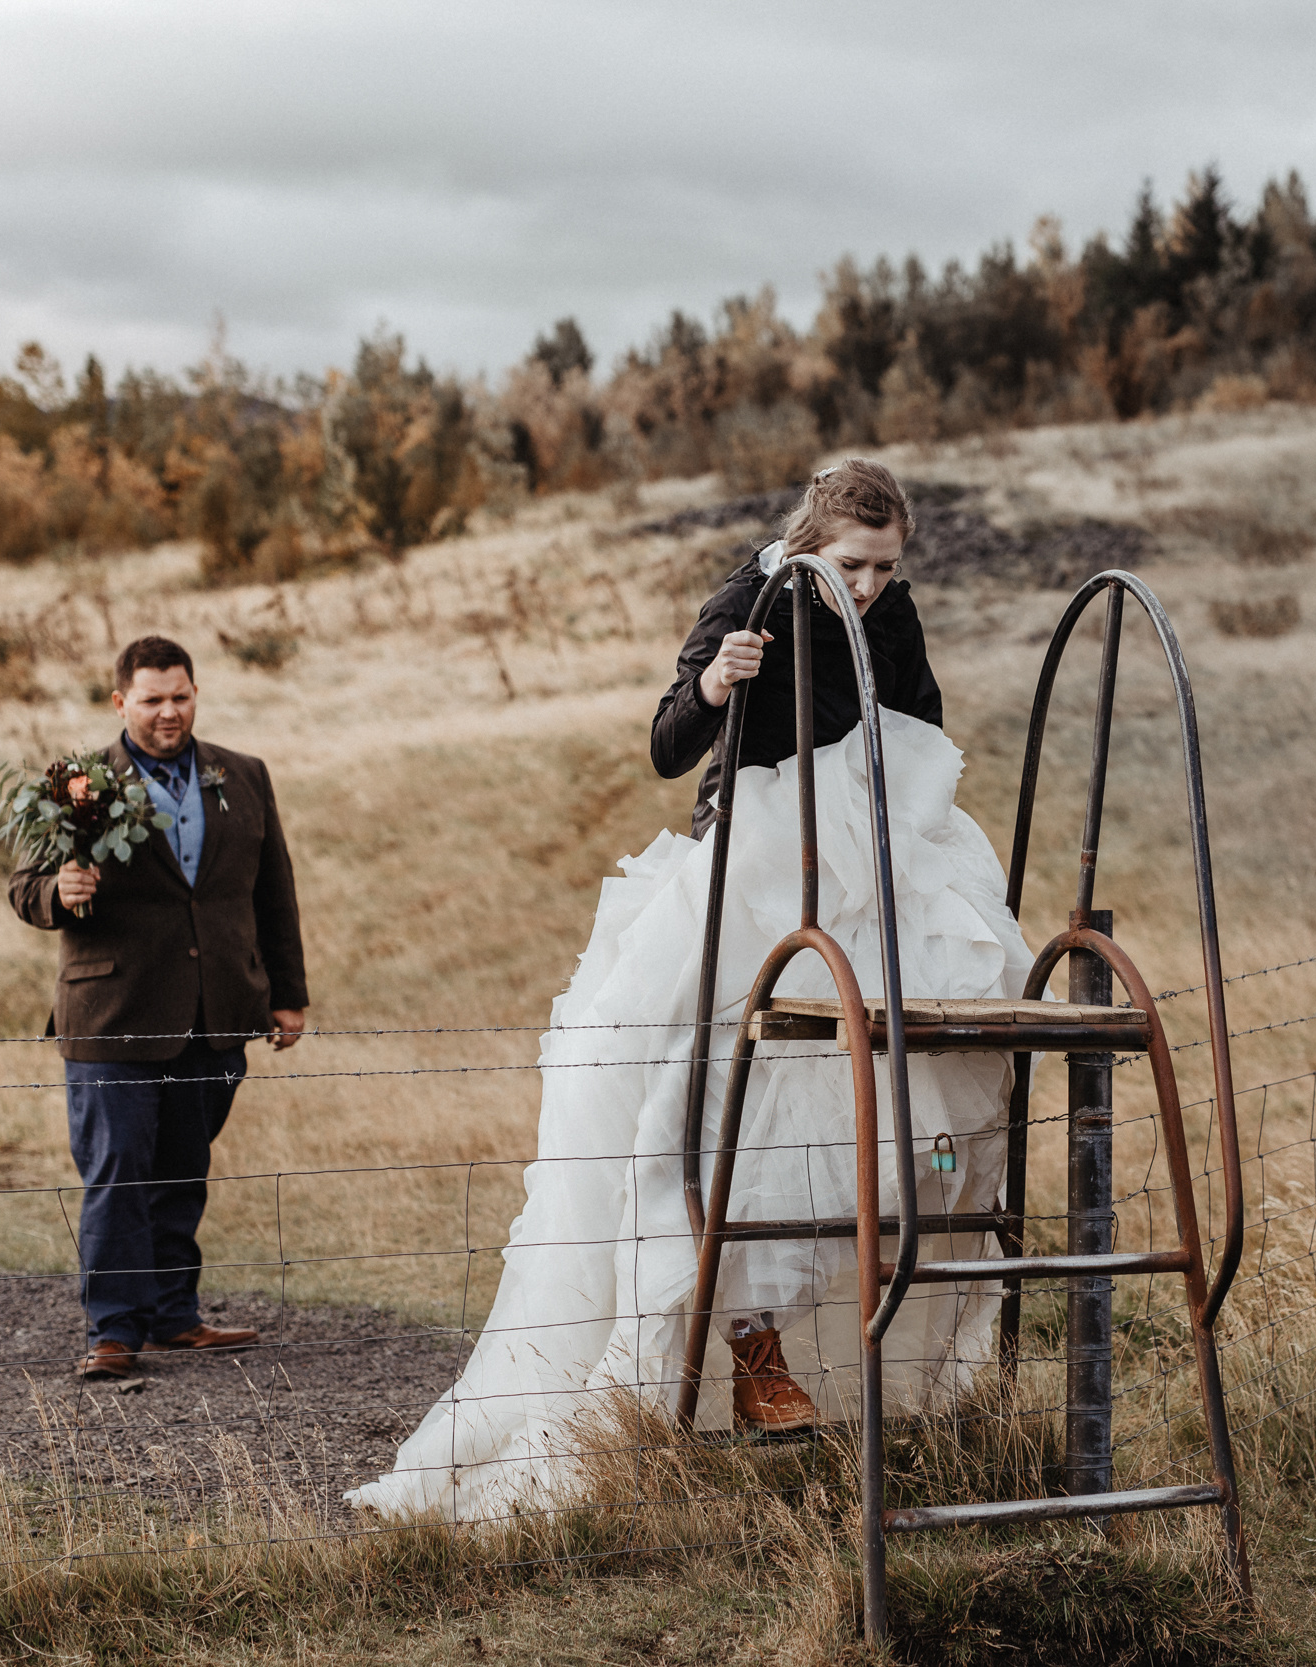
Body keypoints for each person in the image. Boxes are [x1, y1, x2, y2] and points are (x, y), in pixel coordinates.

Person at [350, 460, 1032, 1522]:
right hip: (758, 867)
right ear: (809, 543)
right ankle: (742, 1339)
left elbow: (920, 732)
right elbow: (668, 743)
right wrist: (717, 684)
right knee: (714, 1091)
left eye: (885, 567)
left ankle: (885, 1303)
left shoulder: (891, 614)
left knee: (908, 1075)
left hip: (868, 867)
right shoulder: (750, 599)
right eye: (853, 565)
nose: (867, 586)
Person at [8, 635, 310, 1381]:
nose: (168, 712)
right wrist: (59, 893)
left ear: (196, 694)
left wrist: (287, 994)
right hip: (112, 1015)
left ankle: (175, 1315)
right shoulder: (76, 782)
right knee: (118, 1174)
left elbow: (273, 890)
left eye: (180, 696)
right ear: (121, 702)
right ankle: (114, 1331)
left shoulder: (243, 774)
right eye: (151, 699)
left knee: (183, 1168)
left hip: (215, 1011)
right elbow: (25, 885)